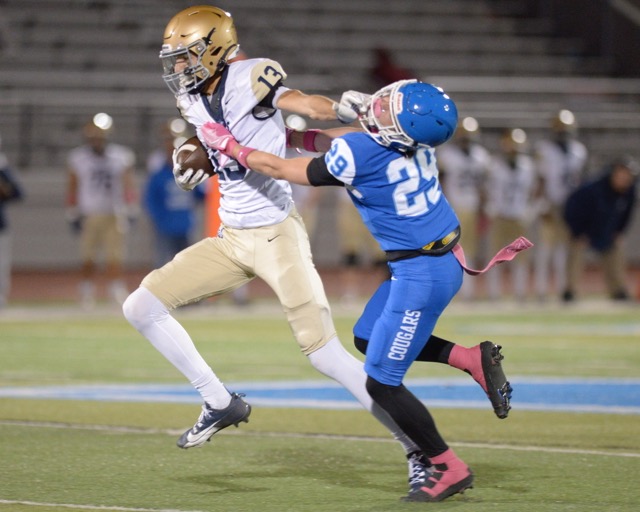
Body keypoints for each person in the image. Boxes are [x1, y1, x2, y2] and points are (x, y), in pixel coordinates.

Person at [122, 7, 513, 497]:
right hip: (232, 236)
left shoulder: (251, 76)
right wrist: (202, 150)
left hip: (277, 234)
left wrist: (338, 112)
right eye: (175, 59)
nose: (178, 68)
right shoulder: (192, 96)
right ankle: (219, 401)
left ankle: (421, 453)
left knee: (331, 356)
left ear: (215, 51)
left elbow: (302, 110)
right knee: (140, 305)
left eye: (186, 57)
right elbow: (264, 137)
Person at [198, 79, 529, 501]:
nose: (382, 104)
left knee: (381, 383)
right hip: (436, 259)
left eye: (392, 107)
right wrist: (290, 136)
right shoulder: (414, 144)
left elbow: (283, 169)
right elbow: (338, 141)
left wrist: (230, 146)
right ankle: (469, 358)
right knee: (366, 336)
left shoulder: (362, 152)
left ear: (399, 128)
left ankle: (447, 466)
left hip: (420, 275)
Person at [66, 116, 138, 308]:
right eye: (94, 135)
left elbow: (128, 185)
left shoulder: (120, 156)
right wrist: (72, 212)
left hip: (113, 212)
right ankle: (87, 291)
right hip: (89, 213)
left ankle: (115, 289)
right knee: (87, 256)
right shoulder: (78, 158)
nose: (97, 138)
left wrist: (131, 209)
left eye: (100, 135)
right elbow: (73, 186)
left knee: (115, 256)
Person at [563, 157, 638, 301]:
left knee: (616, 252)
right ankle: (570, 291)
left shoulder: (629, 191)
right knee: (576, 253)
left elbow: (628, 213)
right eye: (621, 174)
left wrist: (619, 231)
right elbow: (571, 208)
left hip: (607, 231)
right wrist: (578, 232)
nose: (624, 178)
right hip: (585, 231)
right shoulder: (592, 189)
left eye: (627, 175)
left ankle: (618, 290)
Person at [533, 109, 588, 301]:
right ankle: (541, 290)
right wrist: (540, 204)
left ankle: (563, 289)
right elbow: (540, 179)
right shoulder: (544, 149)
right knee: (546, 248)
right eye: (561, 129)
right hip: (551, 203)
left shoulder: (579, 150)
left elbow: (580, 180)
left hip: (571, 205)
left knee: (563, 250)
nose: (564, 133)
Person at [436, 117, 491, 300]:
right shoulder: (447, 155)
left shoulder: (481, 156)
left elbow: (483, 186)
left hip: (472, 206)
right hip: (453, 207)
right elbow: (441, 182)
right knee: (450, 250)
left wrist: (484, 208)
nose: (466, 141)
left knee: (470, 250)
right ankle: (452, 290)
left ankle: (467, 291)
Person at [485, 128, 537, 301]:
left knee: (520, 258)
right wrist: (489, 207)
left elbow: (534, 190)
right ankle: (494, 293)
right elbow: (485, 189)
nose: (513, 150)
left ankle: (520, 292)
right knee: (496, 256)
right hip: (499, 214)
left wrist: (532, 208)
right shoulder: (494, 165)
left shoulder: (528, 166)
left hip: (519, 215)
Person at [144, 121, 205, 268]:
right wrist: (158, 218)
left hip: (186, 223)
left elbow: (200, 195)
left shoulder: (191, 172)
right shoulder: (159, 174)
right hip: (165, 224)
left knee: (186, 264)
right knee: (164, 263)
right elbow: (150, 199)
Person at [0, 136, 23, 309]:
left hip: (0, 224)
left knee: (1, 264)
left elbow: (18, 193)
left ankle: (1, 298)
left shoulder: (2, 167)